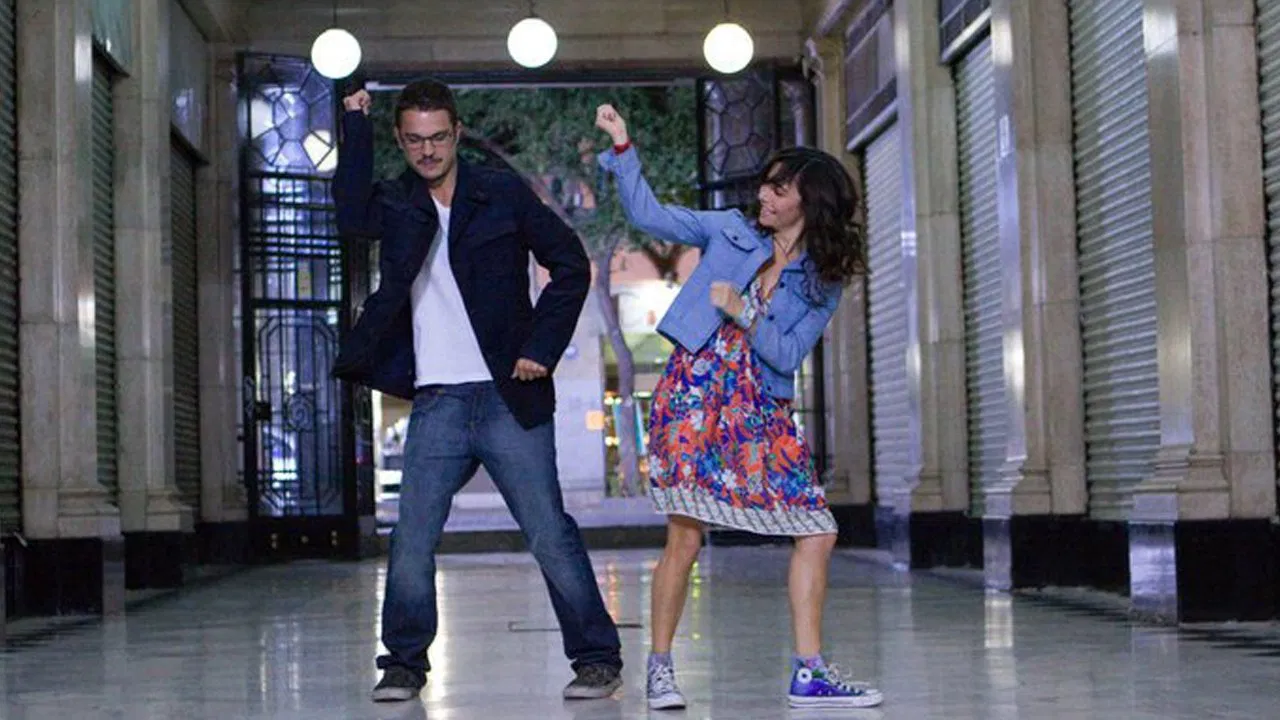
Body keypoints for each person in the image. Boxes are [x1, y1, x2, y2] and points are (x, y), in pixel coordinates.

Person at [331, 79, 623, 703]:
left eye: (439, 138)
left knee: (548, 531)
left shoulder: (500, 193)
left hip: (507, 395)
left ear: (457, 133)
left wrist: (541, 347)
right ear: (400, 140)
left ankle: (597, 658)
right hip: (437, 400)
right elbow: (350, 214)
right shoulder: (397, 202)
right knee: (412, 537)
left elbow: (570, 264)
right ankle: (403, 665)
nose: (428, 151)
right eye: (415, 140)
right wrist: (354, 127)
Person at [594, 104, 884, 711]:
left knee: (818, 530)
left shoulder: (822, 279)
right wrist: (623, 146)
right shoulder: (729, 229)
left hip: (760, 408)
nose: (764, 196)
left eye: (779, 189)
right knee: (685, 536)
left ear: (809, 201)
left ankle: (809, 673)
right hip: (696, 392)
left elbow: (788, 352)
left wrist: (745, 311)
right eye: (766, 185)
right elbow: (650, 215)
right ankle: (661, 670)